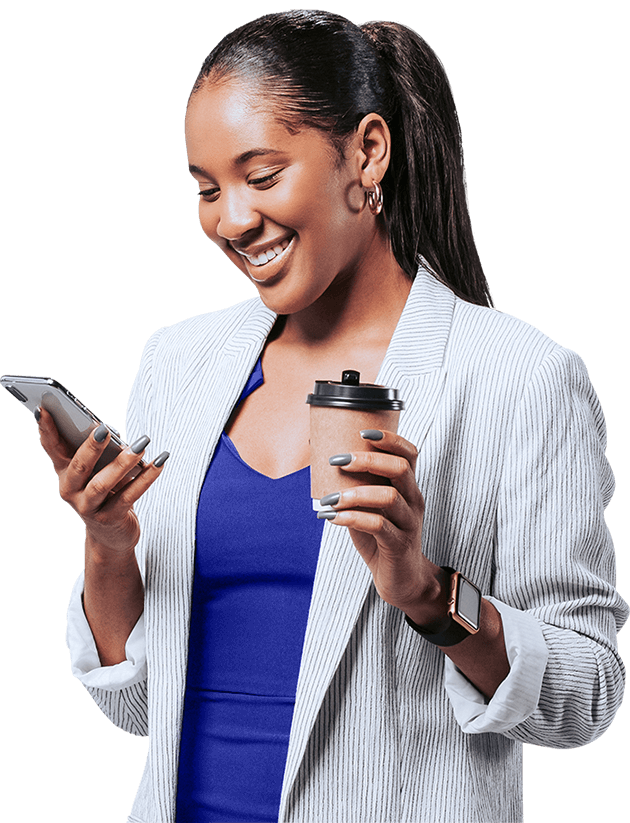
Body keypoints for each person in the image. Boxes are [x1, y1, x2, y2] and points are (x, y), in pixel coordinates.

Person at [41, 10, 625, 822]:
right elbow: (138, 709)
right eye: (207, 189)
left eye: (262, 175)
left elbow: (586, 695)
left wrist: (430, 594)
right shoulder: (178, 362)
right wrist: (109, 545)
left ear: (368, 152)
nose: (231, 220)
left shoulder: (521, 378)